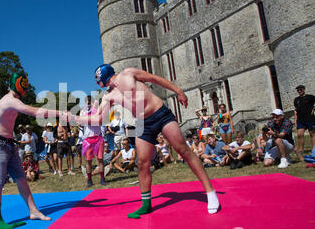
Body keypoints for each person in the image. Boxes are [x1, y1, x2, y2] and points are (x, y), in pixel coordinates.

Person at [69, 65, 220, 218]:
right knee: (142, 163)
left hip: (160, 113)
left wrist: (178, 91)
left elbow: (155, 79)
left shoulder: (128, 73)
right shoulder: (109, 96)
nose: (98, 85)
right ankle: (146, 204)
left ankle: (210, 192)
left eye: (98, 81)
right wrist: (75, 118)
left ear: (102, 78)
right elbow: (98, 118)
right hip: (142, 123)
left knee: (183, 150)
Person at [0, 72, 64, 229]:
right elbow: (33, 112)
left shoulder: (14, 100)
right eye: (24, 87)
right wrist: (59, 113)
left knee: (21, 178)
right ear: (18, 86)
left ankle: (33, 211)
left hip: (8, 143)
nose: (26, 91)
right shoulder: (9, 101)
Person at [80, 96, 107, 187]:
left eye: (90, 101)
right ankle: (89, 179)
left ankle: (102, 179)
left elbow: (99, 121)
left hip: (98, 138)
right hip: (88, 139)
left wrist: (93, 110)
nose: (89, 103)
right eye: (87, 102)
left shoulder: (98, 111)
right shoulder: (83, 111)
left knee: (100, 159)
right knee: (88, 161)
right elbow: (82, 122)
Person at [293, 85, 315, 160]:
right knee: (299, 134)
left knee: (312, 134)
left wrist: (314, 109)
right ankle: (301, 150)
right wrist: (295, 120)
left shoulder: (310, 97)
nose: (299, 91)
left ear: (304, 89)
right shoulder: (296, 99)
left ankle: (313, 150)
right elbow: (296, 110)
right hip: (300, 120)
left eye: (300, 89)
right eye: (298, 90)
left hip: (310, 119)